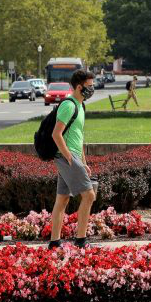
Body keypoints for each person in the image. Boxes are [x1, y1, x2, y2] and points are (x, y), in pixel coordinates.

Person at [49, 69, 98, 249]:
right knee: (89, 195)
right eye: (90, 86)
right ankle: (81, 241)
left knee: (62, 199)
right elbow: (56, 134)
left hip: (73, 156)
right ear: (79, 87)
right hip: (66, 156)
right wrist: (70, 158)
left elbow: (79, 136)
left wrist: (84, 162)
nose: (92, 89)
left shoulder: (80, 105)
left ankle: (54, 243)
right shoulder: (69, 105)